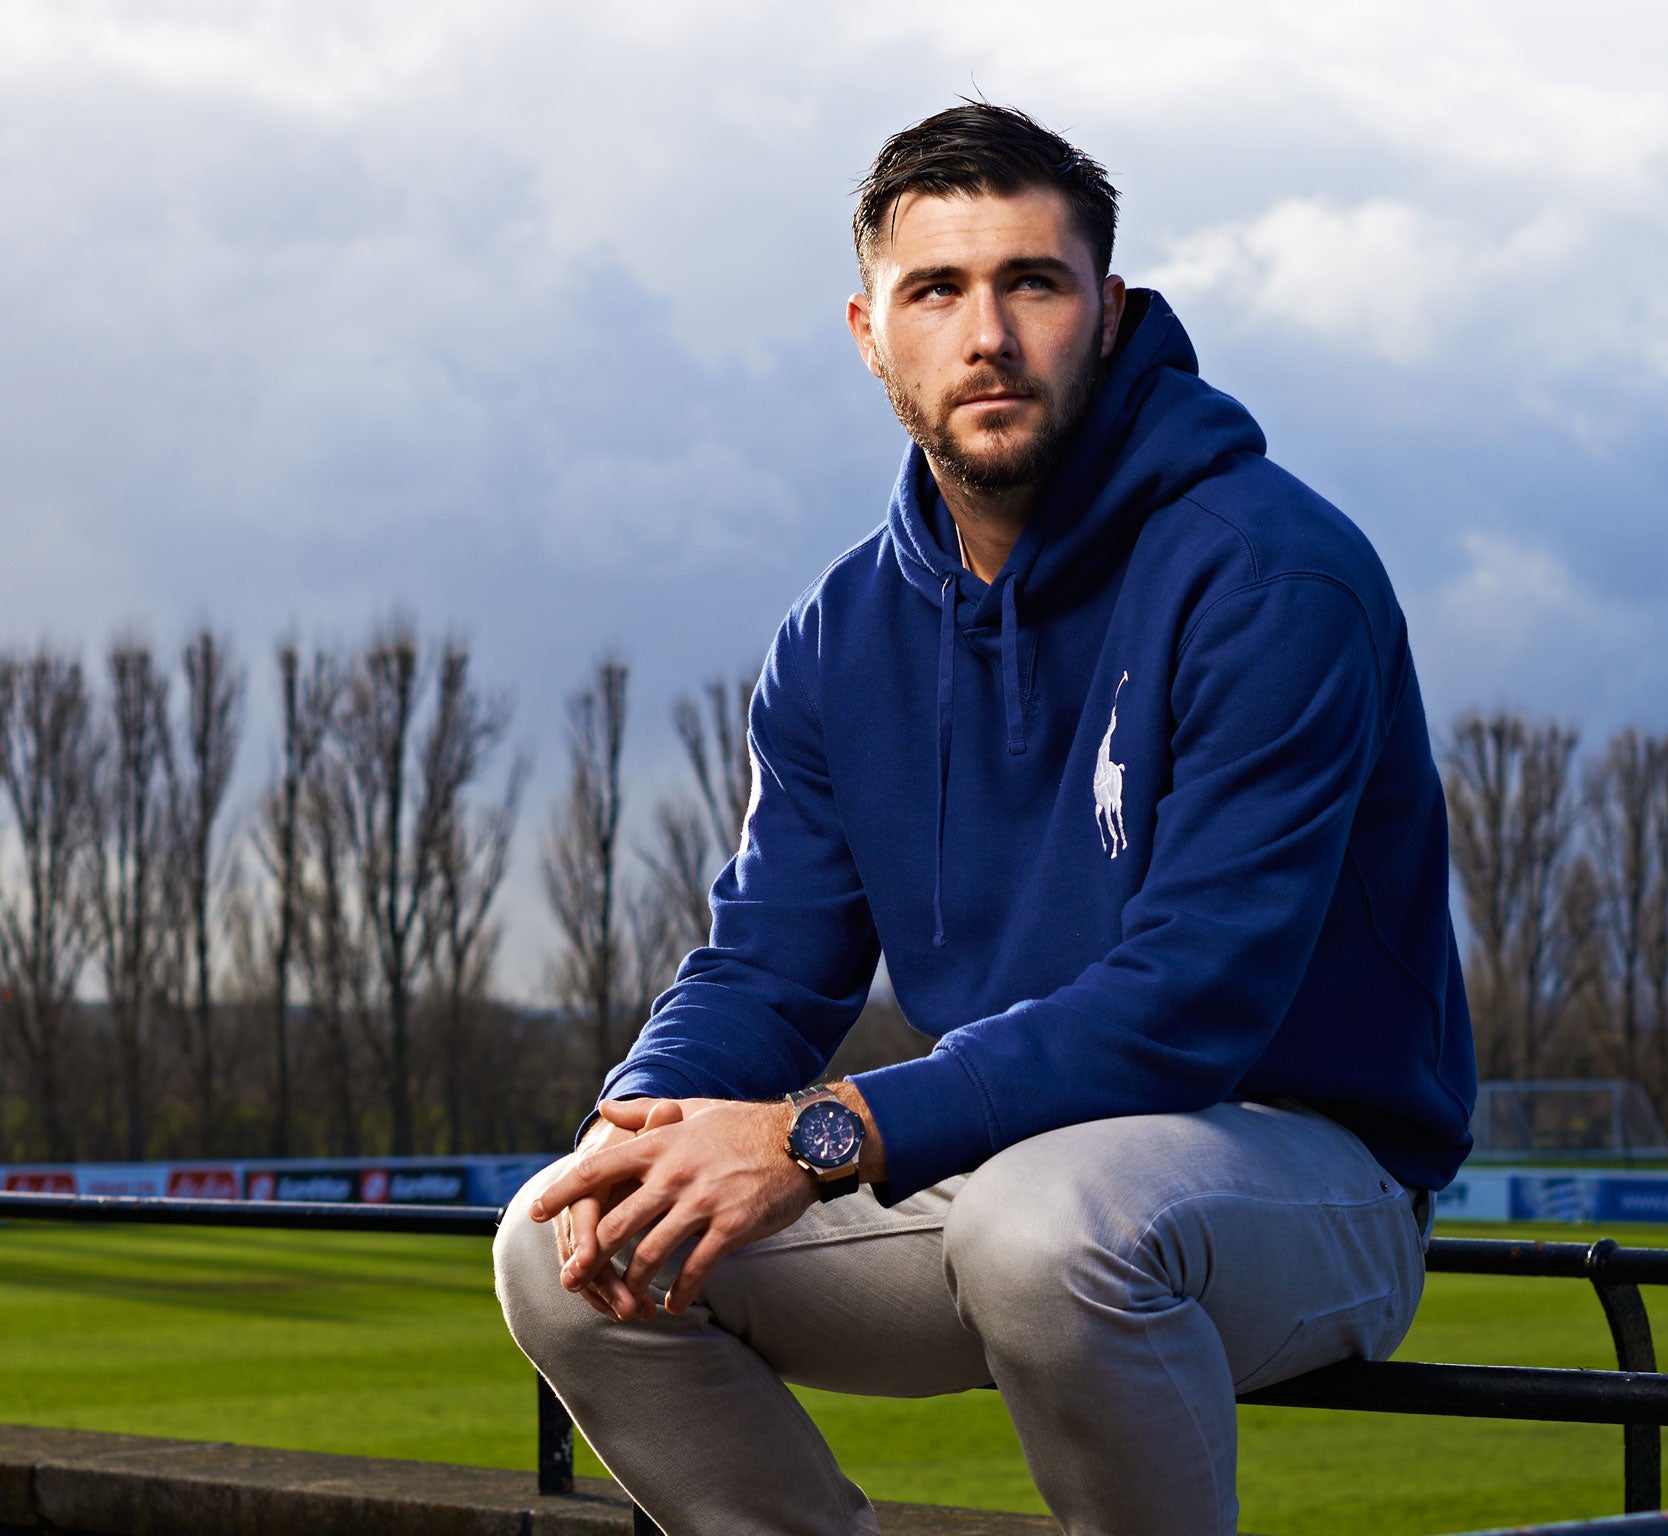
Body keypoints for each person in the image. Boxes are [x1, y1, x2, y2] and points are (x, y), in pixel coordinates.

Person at [495, 101, 1475, 1536]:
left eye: (1034, 282)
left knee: (1047, 1230)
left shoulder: (1272, 574)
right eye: (937, 289)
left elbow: (1189, 1004)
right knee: (560, 1245)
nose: (989, 333)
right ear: (866, 329)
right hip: (1002, 1157)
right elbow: (768, 967)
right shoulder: (841, 633)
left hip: (1304, 1176)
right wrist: (634, 1130)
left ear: (1111, 310)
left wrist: (817, 1136)